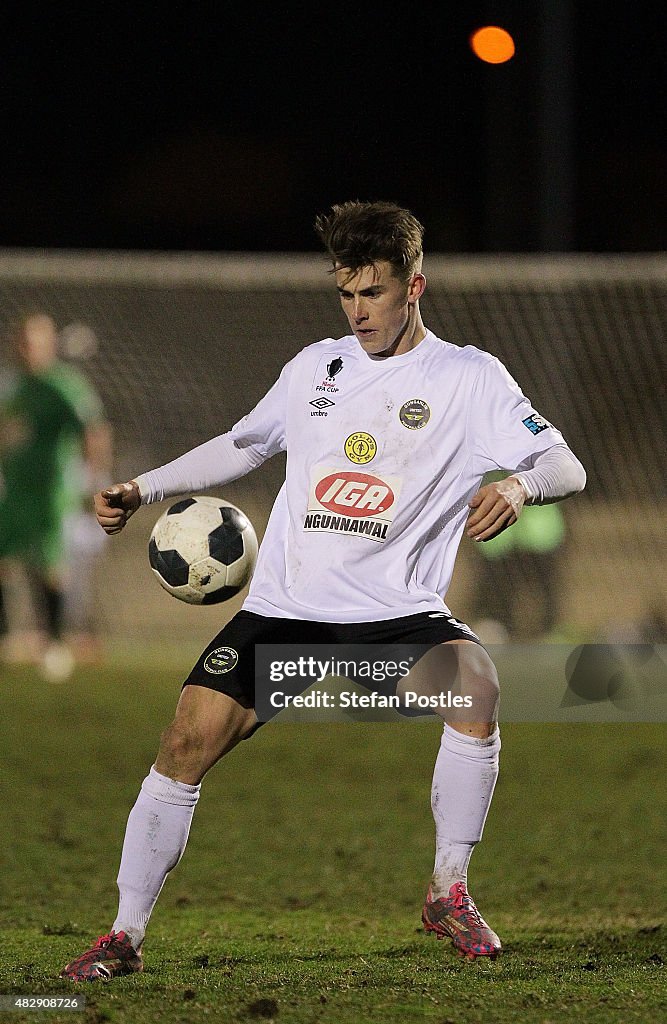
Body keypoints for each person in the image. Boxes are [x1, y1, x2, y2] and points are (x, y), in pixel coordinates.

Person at [60, 201, 586, 980]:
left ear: (415, 286)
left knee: (475, 688)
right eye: (345, 293)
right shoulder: (316, 366)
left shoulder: (468, 378)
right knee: (181, 746)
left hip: (395, 613)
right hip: (284, 611)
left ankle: (448, 889)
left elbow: (565, 466)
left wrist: (517, 486)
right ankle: (124, 935)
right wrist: (144, 488)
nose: (357, 310)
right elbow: (243, 443)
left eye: (372, 292)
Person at [0, 312, 112, 680]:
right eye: (24, 342)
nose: (28, 350)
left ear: (49, 346)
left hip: (52, 493)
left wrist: (93, 481)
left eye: (35, 343)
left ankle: (56, 642)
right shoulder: (13, 385)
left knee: (50, 566)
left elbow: (93, 430)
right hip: (14, 490)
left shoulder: (66, 385)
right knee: (5, 561)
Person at [470, 469, 568, 641]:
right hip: (502, 538)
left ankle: (546, 633)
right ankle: (499, 629)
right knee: (499, 589)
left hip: (540, 534)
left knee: (544, 590)